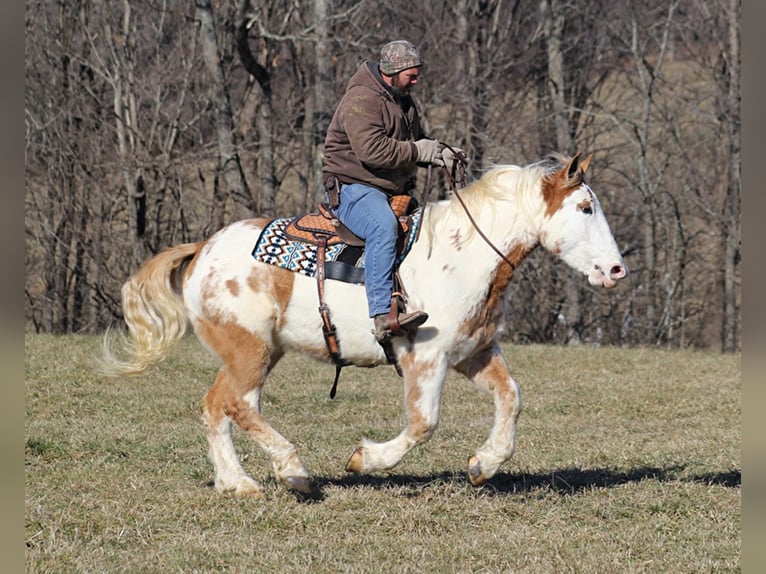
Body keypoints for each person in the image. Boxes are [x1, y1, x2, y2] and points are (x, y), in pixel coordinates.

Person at [322, 40, 464, 344]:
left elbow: (416, 144)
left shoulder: (403, 99)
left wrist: (441, 153)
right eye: (411, 76)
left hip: (388, 189)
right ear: (391, 72)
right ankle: (382, 317)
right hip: (352, 187)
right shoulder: (360, 99)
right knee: (384, 227)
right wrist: (419, 150)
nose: (416, 81)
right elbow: (372, 150)